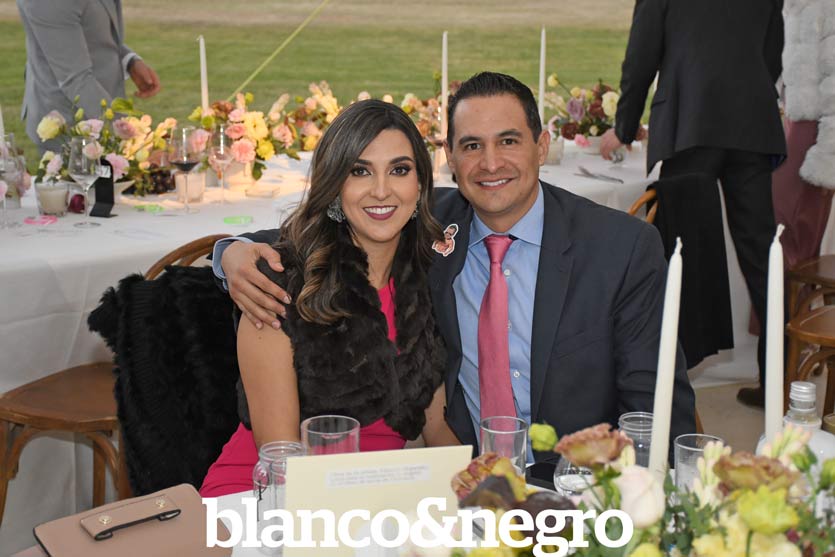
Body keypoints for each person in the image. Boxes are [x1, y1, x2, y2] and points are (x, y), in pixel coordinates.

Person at [216, 72, 696, 461]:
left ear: (542, 146)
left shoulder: (620, 248)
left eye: (508, 141)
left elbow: (655, 410)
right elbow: (309, 235)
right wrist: (230, 252)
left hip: (576, 481)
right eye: (471, 146)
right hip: (444, 480)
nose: (490, 163)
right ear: (449, 158)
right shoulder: (425, 223)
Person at [200, 100, 458, 497]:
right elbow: (280, 458)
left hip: (374, 499)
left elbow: (436, 427)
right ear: (335, 184)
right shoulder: (278, 288)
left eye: (399, 170)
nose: (382, 190)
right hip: (260, 499)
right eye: (359, 171)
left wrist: (492, 490)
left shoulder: (423, 283)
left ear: (421, 185)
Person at [599, 0, 787, 408]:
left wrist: (624, 128)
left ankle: (666, 387)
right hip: (751, 125)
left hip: (691, 122)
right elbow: (772, 55)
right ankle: (778, 381)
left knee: (679, 257)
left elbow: (641, 57)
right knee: (762, 258)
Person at [17, 0, 161, 151]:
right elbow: (75, 79)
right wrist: (135, 140)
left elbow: (90, 29)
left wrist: (128, 60)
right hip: (69, 125)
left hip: (103, 112)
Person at [773, 0, 835, 270]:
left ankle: (790, 296)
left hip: (814, 136)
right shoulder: (789, 6)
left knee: (789, 232)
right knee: (786, 236)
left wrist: (827, 157)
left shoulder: (825, 7)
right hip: (791, 127)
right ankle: (790, 295)